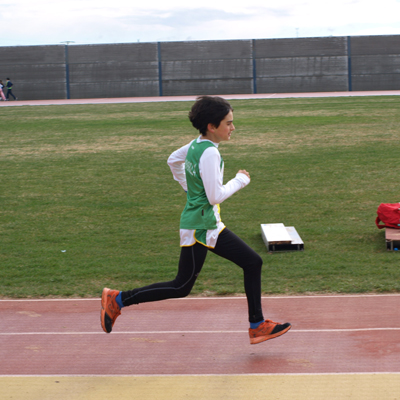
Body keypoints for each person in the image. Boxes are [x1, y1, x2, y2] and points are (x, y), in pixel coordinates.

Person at [100, 95, 291, 345]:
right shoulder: (210, 153)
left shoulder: (195, 145)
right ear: (212, 126)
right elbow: (215, 196)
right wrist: (241, 180)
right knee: (250, 263)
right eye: (229, 123)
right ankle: (257, 325)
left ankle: (118, 299)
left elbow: (173, 161)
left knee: (184, 285)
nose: (233, 128)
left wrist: (190, 189)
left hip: (200, 223)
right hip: (203, 226)